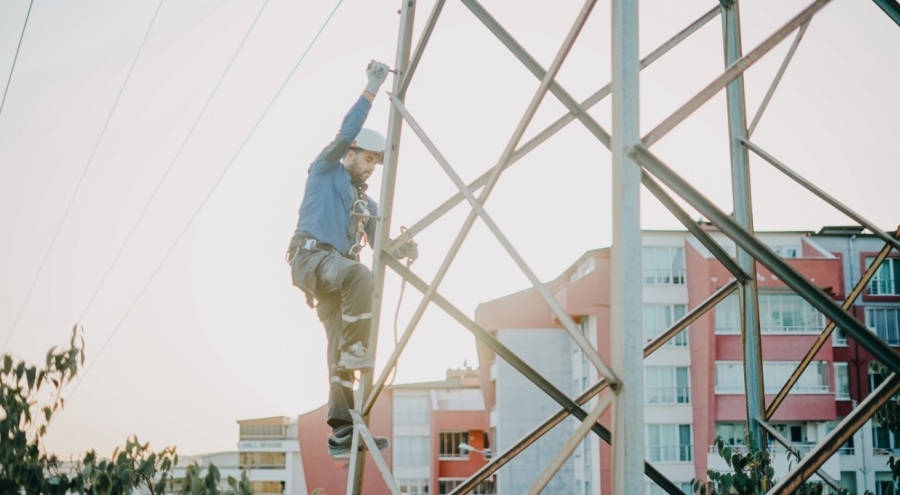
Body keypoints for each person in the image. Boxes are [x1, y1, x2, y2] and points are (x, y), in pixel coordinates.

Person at [286, 60, 418, 456]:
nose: (370, 169)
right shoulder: (326, 171)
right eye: (367, 160)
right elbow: (345, 133)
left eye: (375, 164)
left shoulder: (365, 202)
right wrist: (371, 90)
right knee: (360, 278)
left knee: (340, 355)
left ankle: (342, 431)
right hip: (311, 260)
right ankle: (355, 349)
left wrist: (403, 248)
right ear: (351, 154)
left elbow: (382, 249)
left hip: (335, 280)